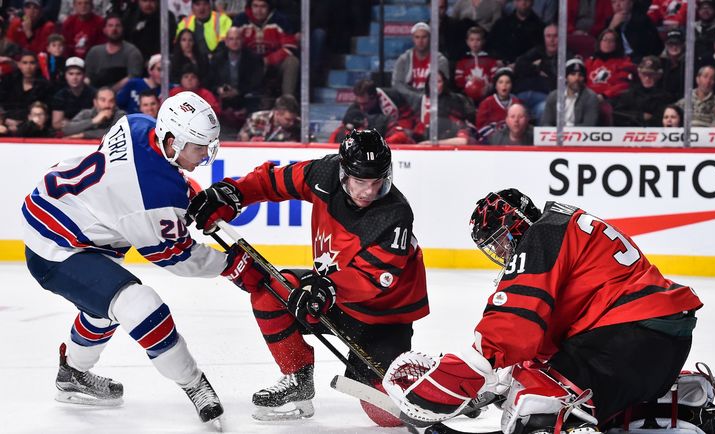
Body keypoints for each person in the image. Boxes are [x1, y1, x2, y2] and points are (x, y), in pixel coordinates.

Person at [21, 91, 268, 424]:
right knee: (139, 305)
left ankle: (72, 375)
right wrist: (230, 265)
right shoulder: (153, 197)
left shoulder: (138, 124)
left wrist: (186, 195)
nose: (205, 155)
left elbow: (146, 176)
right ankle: (194, 384)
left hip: (67, 214)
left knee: (102, 308)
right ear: (172, 141)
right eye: (199, 148)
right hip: (56, 244)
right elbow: (178, 258)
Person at [384, 188, 702, 434]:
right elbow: (551, 327)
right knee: (544, 376)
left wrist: (473, 369)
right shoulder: (566, 224)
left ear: (516, 224)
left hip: (626, 341)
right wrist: (502, 377)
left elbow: (516, 319)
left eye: (500, 242)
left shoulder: (540, 236)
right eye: (493, 249)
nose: (502, 252)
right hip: (662, 347)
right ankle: (680, 404)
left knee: (534, 398)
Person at [186, 129, 429, 427]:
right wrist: (235, 192)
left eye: (376, 182)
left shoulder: (394, 214)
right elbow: (274, 181)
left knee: (386, 415)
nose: (368, 191)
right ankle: (297, 377)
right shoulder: (324, 173)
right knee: (268, 289)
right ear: (343, 172)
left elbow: (375, 278)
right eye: (360, 181)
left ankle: (438, 388)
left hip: (384, 318)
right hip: (334, 299)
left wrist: (327, 288)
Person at [233, 0, 298, 97]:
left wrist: (268, 60)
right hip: (248, 65)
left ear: (269, 7)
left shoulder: (281, 20)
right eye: (255, 6)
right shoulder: (240, 20)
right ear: (250, 6)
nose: (259, 10)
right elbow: (232, 43)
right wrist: (254, 61)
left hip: (274, 63)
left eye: (263, 6)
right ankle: (240, 99)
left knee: (292, 62)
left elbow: (290, 47)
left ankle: (287, 102)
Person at [392, 22, 450, 112]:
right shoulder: (403, 59)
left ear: (430, 38)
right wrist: (415, 97)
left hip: (433, 103)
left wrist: (425, 97)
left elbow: (444, 85)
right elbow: (397, 84)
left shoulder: (440, 60)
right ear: (413, 39)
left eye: (424, 37)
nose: (420, 41)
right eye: (417, 37)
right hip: (408, 102)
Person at [83, 14, 144, 90]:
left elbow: (133, 78)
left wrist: (110, 91)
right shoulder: (94, 52)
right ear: (104, 30)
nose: (114, 29)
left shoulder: (132, 52)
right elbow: (87, 78)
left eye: (117, 26)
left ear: (122, 29)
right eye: (110, 26)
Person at [612, 56, 675, 126]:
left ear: (659, 75)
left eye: (651, 74)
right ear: (639, 74)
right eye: (644, 74)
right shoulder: (629, 94)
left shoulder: (665, 97)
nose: (647, 78)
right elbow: (617, 113)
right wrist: (640, 115)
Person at [542, 58, 600, 127]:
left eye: (580, 75)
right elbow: (546, 123)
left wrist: (568, 134)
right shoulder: (554, 96)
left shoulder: (590, 97)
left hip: (580, 135)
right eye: (573, 74)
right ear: (565, 77)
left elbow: (589, 125)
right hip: (556, 135)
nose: (577, 78)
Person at [584, 29, 635, 102]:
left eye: (611, 40)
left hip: (609, 99)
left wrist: (604, 95)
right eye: (605, 40)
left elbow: (623, 85)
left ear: (616, 44)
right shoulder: (590, 62)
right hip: (587, 97)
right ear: (599, 42)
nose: (607, 43)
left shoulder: (625, 63)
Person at [454, 26, 499, 104]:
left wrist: (488, 87)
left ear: (483, 41)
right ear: (467, 42)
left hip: (487, 95)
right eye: (472, 40)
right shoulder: (462, 61)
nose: (475, 43)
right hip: (467, 98)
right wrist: (468, 87)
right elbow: (458, 80)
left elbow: (495, 77)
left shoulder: (490, 59)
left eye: (478, 40)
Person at [51, 56, 96, 131]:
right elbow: (56, 124)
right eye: (71, 74)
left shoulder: (94, 94)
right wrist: (85, 123)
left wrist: (71, 124)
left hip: (90, 133)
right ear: (65, 75)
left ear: (84, 75)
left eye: (78, 74)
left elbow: (98, 120)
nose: (74, 77)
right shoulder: (60, 95)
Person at [476, 68, 521, 140]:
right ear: (496, 86)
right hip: (492, 142)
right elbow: (480, 129)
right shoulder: (486, 103)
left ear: (512, 85)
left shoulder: (517, 103)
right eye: (500, 82)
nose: (504, 85)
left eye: (508, 82)